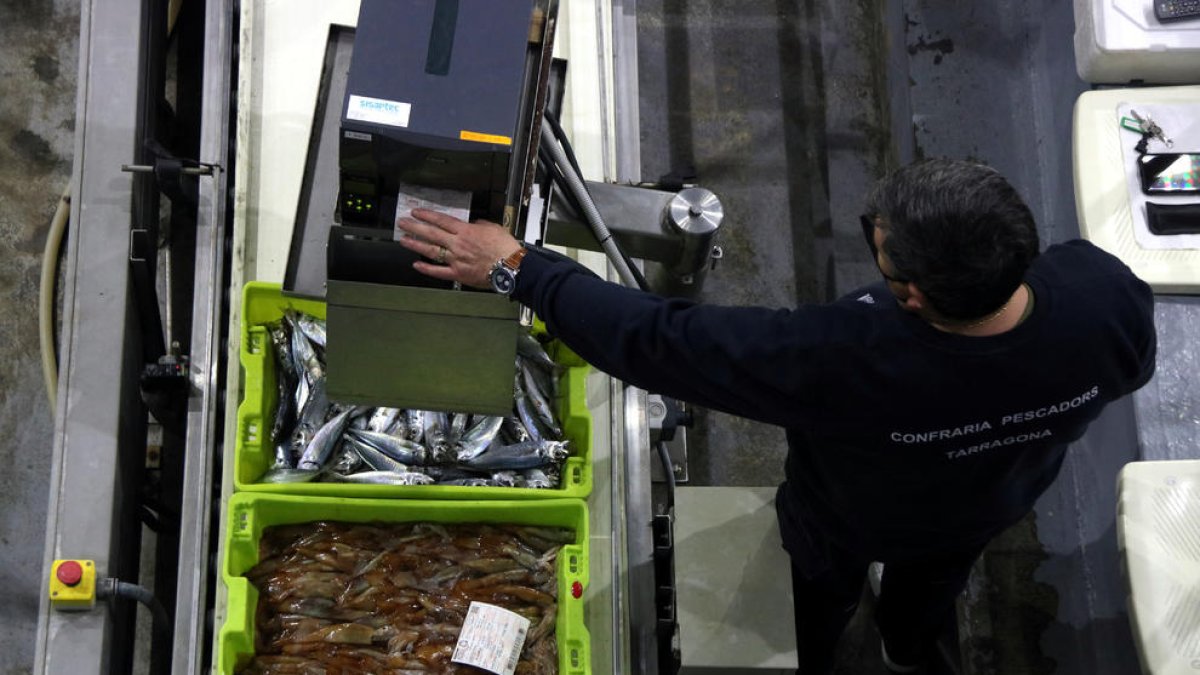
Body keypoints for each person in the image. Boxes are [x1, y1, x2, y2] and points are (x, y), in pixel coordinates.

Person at [396, 158, 1157, 674]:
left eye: (881, 255)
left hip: (843, 521)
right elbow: (1131, 367)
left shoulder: (845, 357)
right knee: (930, 591)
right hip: (986, 506)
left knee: (822, 594)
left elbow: (660, 343)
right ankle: (910, 649)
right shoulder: (1104, 301)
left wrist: (518, 267)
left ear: (914, 295)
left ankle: (822, 653)